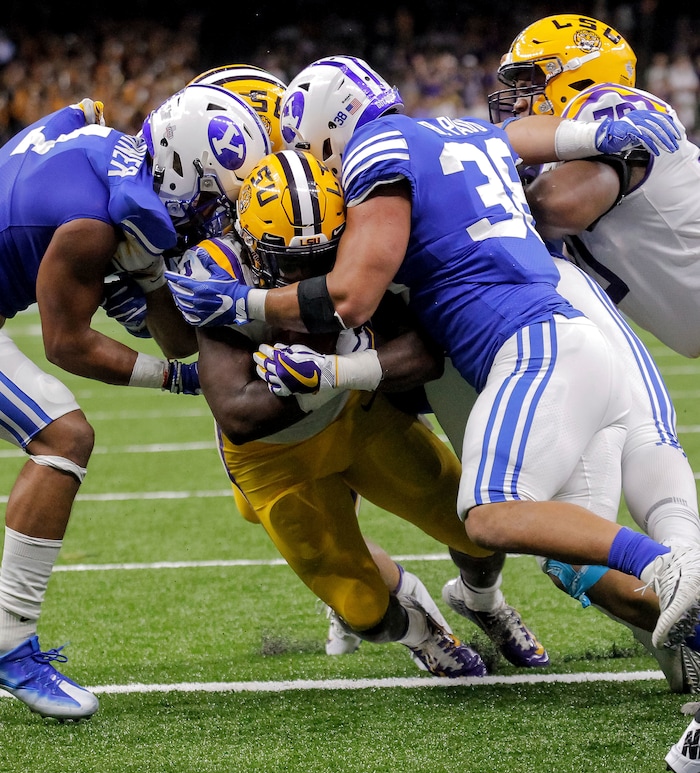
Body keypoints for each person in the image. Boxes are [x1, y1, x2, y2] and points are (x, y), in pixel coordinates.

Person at [163, 55, 700, 659]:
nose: (317, 165)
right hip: (556, 339)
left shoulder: (373, 157)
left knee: (494, 519)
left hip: (529, 348)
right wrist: (593, 134)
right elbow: (513, 136)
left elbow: (349, 299)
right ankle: (682, 633)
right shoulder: (458, 131)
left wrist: (245, 303)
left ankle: (673, 569)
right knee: (556, 540)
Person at [0, 84, 270, 722]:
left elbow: (79, 109)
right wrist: (178, 382)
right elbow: (67, 344)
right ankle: (9, 642)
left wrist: (148, 276)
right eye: (211, 199)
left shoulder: (105, 152)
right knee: (63, 438)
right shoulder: (95, 223)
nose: (214, 216)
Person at [184, 149, 504, 677]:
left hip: (360, 419)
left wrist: (327, 374)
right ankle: (422, 633)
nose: (308, 273)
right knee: (365, 612)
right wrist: (322, 381)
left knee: (481, 528)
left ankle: (482, 600)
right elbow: (239, 413)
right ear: (251, 246)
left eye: (322, 255)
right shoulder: (219, 274)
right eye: (289, 259)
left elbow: (423, 353)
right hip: (274, 461)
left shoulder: (361, 246)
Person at [489, 14, 700, 358]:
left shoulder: (608, 104)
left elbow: (557, 206)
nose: (517, 100)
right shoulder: (567, 154)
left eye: (532, 79)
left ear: (579, 76)